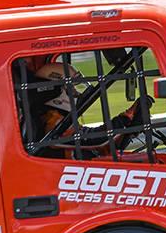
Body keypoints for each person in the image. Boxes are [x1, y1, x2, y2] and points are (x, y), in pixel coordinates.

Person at [20, 58, 154, 159]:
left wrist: (129, 131)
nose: (76, 93)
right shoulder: (51, 118)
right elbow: (91, 139)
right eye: (71, 88)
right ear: (55, 90)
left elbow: (98, 148)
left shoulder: (55, 117)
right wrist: (125, 119)